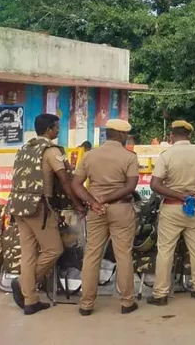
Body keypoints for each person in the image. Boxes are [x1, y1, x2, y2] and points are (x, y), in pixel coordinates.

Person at [6, 113, 84, 315]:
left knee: (29, 253)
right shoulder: (51, 151)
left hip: (18, 206)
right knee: (53, 249)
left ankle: (31, 301)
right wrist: (77, 203)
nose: (59, 131)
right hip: (39, 207)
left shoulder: (24, 149)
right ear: (49, 129)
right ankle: (23, 284)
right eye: (57, 127)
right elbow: (65, 180)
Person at [72, 118, 140, 315]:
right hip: (121, 209)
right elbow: (130, 186)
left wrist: (94, 202)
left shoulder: (90, 156)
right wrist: (107, 198)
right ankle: (127, 302)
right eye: (126, 134)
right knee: (123, 255)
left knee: (92, 255)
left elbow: (76, 184)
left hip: (96, 211)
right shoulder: (129, 157)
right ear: (121, 135)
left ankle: (86, 304)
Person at [148, 120, 195, 305]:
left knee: (166, 250)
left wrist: (179, 195)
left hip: (172, 206)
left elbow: (155, 185)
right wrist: (193, 196)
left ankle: (160, 294)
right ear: (189, 135)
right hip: (193, 207)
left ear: (171, 136)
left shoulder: (167, 155)